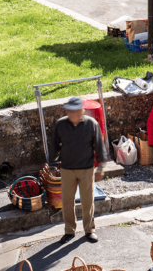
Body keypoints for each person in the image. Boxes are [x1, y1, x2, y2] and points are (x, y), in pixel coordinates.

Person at [51, 96, 106, 243]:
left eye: (75, 111)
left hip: (86, 169)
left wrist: (100, 166)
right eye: (69, 111)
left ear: (82, 111)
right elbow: (54, 147)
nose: (71, 114)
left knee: (87, 201)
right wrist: (52, 165)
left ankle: (89, 230)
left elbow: (99, 146)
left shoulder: (91, 124)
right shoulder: (61, 125)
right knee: (67, 201)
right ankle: (69, 230)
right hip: (67, 169)